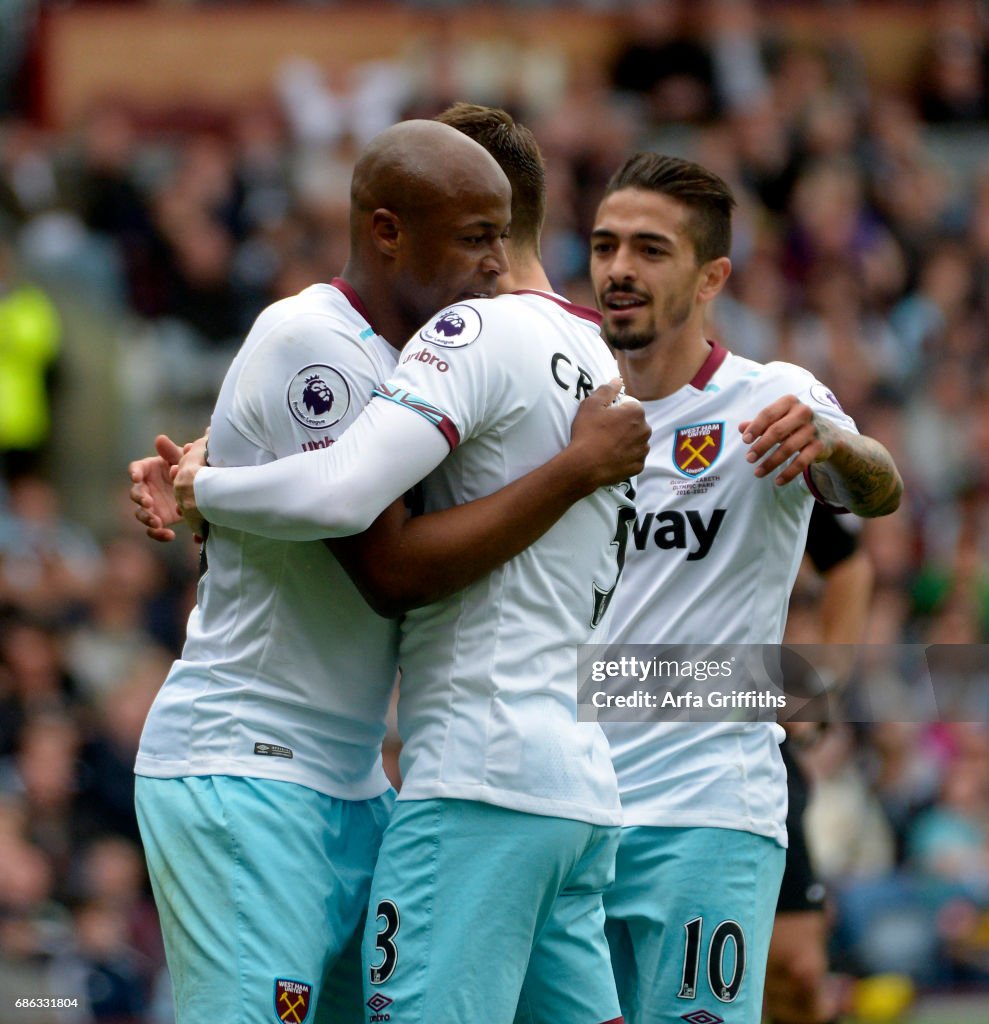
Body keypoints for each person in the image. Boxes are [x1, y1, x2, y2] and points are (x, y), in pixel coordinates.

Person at [128, 117, 649, 1024]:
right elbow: (388, 568)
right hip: (249, 764)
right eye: (473, 237)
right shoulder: (310, 338)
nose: (495, 263)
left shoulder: (430, 360)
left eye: (502, 234)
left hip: (358, 780)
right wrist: (205, 482)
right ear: (386, 231)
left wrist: (209, 472)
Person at [586, 152, 902, 1024]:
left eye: (650, 249)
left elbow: (877, 494)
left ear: (710, 275)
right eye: (605, 245)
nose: (619, 268)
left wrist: (836, 447)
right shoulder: (561, 408)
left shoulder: (768, 400)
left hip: (705, 807)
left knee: (793, 975)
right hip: (566, 808)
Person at [765, 505, 875, 1024]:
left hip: (747, 738)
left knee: (797, 970)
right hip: (612, 726)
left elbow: (849, 565)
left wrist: (821, 685)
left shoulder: (753, 435)